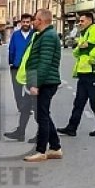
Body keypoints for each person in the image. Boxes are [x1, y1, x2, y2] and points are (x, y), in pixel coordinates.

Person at [57, 12, 95, 137]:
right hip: (84, 73)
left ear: (90, 20)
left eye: (82, 21)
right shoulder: (84, 33)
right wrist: (80, 49)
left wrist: (92, 53)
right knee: (79, 102)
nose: (80, 23)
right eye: (79, 21)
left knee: (94, 101)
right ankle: (72, 128)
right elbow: (77, 51)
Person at [23, 9, 62, 162]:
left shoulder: (48, 37)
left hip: (46, 82)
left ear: (41, 20)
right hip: (45, 81)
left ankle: (41, 151)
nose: (33, 22)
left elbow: (44, 63)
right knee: (43, 114)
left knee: (42, 116)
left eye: (35, 19)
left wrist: (36, 84)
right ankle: (55, 147)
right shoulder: (44, 35)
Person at [7, 13, 35, 113]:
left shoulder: (34, 34)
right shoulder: (15, 35)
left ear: (31, 22)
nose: (25, 24)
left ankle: (28, 106)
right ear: (21, 23)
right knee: (17, 89)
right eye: (24, 22)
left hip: (30, 66)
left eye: (28, 22)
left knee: (30, 88)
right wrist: (10, 61)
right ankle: (20, 107)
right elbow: (11, 49)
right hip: (16, 65)